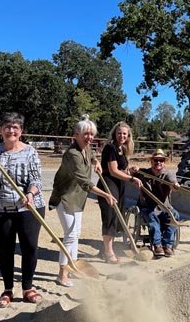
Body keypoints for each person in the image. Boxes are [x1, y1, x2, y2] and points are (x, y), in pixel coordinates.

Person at [0, 112, 45, 307]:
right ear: (1, 130)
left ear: (20, 131)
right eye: (7, 126)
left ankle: (28, 287)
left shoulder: (30, 152)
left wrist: (30, 194)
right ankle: (7, 290)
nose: (11, 130)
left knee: (29, 247)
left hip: (29, 208)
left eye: (15, 127)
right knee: (5, 250)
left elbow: (37, 179)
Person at [49, 115, 117, 287]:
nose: (89, 137)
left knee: (76, 234)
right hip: (65, 197)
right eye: (85, 134)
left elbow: (92, 154)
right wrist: (106, 195)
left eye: (91, 134)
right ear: (76, 134)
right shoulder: (73, 154)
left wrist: (96, 162)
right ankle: (62, 273)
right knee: (70, 235)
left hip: (78, 198)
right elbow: (85, 183)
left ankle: (73, 266)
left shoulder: (86, 148)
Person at [97, 121, 142, 263]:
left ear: (128, 135)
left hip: (119, 185)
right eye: (119, 133)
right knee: (110, 217)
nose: (122, 136)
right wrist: (131, 178)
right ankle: (108, 251)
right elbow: (113, 171)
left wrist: (130, 171)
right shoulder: (111, 148)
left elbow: (121, 170)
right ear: (114, 134)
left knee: (117, 217)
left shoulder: (121, 149)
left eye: (124, 133)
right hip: (108, 185)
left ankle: (110, 249)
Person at [134, 149, 180, 258]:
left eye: (161, 160)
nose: (158, 162)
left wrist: (175, 185)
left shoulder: (168, 174)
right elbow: (128, 173)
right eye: (156, 160)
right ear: (151, 161)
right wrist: (132, 170)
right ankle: (157, 244)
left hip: (164, 208)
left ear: (164, 162)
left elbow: (173, 182)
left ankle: (167, 245)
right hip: (147, 207)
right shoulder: (143, 173)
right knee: (152, 216)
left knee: (175, 215)